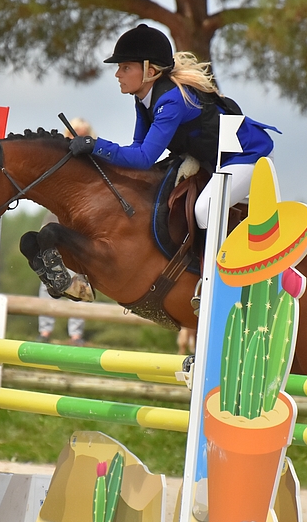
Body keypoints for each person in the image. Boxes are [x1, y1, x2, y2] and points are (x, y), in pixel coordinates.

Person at [69, 24, 279, 229]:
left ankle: (225, 263)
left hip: (245, 157)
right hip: (212, 161)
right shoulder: (144, 100)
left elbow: (144, 158)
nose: (117, 74)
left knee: (204, 211)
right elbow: (137, 147)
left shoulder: (171, 101)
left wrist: (95, 145)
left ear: (149, 71)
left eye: (125, 67)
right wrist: (97, 153)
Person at [36, 211, 87, 346]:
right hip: (53, 256)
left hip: (73, 256)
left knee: (78, 289)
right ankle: (44, 332)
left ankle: (76, 335)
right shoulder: (50, 213)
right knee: (47, 288)